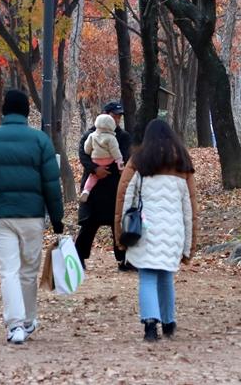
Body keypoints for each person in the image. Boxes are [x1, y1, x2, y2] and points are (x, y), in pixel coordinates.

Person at [0, 89, 65, 345]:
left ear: (3, 111)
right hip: (32, 214)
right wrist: (56, 218)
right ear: (27, 112)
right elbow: (51, 183)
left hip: (1, 214)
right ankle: (29, 319)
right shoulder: (40, 140)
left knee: (8, 269)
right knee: (29, 270)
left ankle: (14, 325)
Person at [114, 119, 197, 342]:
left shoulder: (139, 162)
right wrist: (189, 243)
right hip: (173, 231)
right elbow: (189, 207)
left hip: (145, 230)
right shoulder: (182, 163)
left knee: (147, 277)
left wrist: (120, 234)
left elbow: (125, 198)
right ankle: (169, 322)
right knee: (166, 277)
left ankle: (150, 325)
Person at [76, 101, 134, 270]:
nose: (117, 119)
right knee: (87, 224)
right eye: (114, 115)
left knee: (118, 225)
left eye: (119, 116)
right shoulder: (90, 134)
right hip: (92, 188)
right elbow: (83, 154)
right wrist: (95, 169)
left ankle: (124, 260)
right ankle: (78, 258)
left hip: (114, 187)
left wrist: (106, 169)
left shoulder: (123, 137)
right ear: (104, 115)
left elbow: (123, 156)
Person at [80, 114, 124, 203]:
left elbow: (86, 149)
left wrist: (91, 153)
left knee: (92, 177)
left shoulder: (92, 135)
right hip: (108, 160)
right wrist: (120, 163)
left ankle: (86, 190)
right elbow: (116, 151)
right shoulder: (111, 138)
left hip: (95, 159)